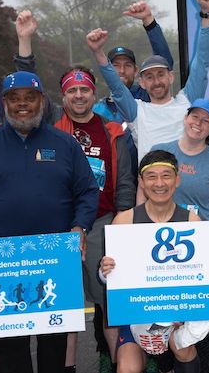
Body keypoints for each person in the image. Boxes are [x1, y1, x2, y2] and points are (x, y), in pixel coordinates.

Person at [0, 71, 99, 373]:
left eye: (29, 98)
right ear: (3, 103)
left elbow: (87, 191)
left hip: (54, 260)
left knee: (54, 350)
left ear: (41, 100)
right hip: (0, 263)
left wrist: (79, 227)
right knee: (9, 352)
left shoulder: (65, 143)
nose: (22, 105)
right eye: (14, 99)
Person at [100, 150, 209, 373]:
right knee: (127, 369)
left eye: (166, 176)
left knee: (183, 349)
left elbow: (204, 275)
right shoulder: (124, 221)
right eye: (151, 177)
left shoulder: (192, 220)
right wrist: (105, 272)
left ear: (177, 179)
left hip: (178, 312)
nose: (159, 183)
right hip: (137, 314)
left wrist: (186, 311)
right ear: (141, 182)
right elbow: (109, 277)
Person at [54, 65, 136, 372]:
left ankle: (117, 363)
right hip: (61, 226)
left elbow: (125, 181)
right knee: (66, 304)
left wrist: (121, 224)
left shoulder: (113, 131)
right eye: (72, 90)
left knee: (110, 303)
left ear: (93, 93)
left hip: (103, 223)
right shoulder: (52, 129)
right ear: (63, 96)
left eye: (84, 89)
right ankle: (68, 366)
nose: (78, 95)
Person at [86, 0, 209, 162]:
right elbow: (116, 86)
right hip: (151, 186)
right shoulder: (137, 111)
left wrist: (206, 15)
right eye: (150, 77)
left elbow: (201, 63)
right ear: (142, 83)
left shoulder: (187, 102)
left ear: (171, 77)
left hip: (187, 185)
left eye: (161, 74)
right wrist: (98, 52)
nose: (157, 81)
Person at [151, 98, 209, 221]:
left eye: (206, 120)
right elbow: (143, 197)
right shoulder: (159, 152)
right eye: (195, 117)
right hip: (162, 231)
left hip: (204, 234)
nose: (198, 123)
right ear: (186, 118)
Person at [92, 0, 175, 119]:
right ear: (107, 71)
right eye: (115, 65)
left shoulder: (148, 96)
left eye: (127, 65)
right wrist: (97, 51)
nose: (122, 70)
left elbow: (164, 61)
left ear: (136, 71)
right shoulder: (97, 111)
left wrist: (148, 21)